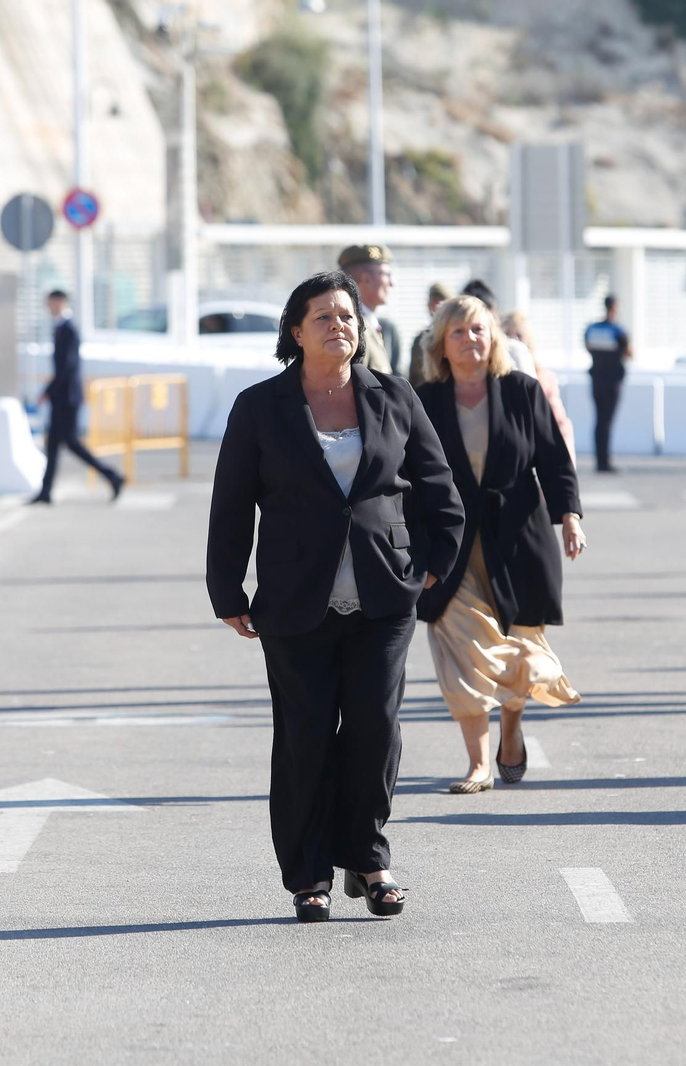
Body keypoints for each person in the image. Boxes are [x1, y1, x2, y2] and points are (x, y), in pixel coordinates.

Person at [206, 270, 464, 923]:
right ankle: (309, 874)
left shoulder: (394, 396)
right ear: (295, 331)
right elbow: (232, 505)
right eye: (323, 317)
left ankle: (370, 861)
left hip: (384, 594)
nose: (338, 326)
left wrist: (432, 565)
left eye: (347, 316)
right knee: (307, 737)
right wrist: (227, 588)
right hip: (296, 599)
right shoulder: (260, 407)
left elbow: (440, 490)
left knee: (376, 729)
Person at [416, 296, 583, 792]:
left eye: (479, 330)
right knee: (460, 649)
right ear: (441, 345)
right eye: (459, 332)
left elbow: (553, 459)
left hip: (518, 541)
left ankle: (511, 727)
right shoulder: (423, 400)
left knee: (520, 644)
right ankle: (478, 764)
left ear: (494, 338)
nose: (471, 339)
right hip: (449, 545)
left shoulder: (522, 391)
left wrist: (569, 517)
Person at [30, 289, 124, 504]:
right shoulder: (60, 328)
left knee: (71, 444)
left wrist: (48, 391)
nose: (48, 307)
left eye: (51, 302)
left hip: (67, 398)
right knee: (53, 445)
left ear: (60, 302)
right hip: (60, 397)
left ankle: (112, 476)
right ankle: (46, 491)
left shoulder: (69, 329)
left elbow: (67, 367)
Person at [502, 310, 576, 464]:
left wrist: (566, 464)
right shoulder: (491, 380)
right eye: (508, 335)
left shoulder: (545, 378)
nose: (514, 341)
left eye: (519, 335)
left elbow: (558, 423)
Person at [585, 295, 631, 473]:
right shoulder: (618, 330)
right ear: (615, 308)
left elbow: (588, 347)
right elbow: (628, 352)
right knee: (607, 421)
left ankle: (600, 460)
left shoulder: (592, 329)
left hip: (596, 379)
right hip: (612, 381)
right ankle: (604, 462)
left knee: (599, 420)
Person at [336, 246, 395, 373]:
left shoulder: (367, 323)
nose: (392, 283)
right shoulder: (354, 327)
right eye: (387, 275)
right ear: (366, 279)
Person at [407, 282, 451, 387]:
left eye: (440, 301)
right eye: (433, 301)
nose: (436, 307)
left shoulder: (455, 337)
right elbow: (413, 377)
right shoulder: (420, 340)